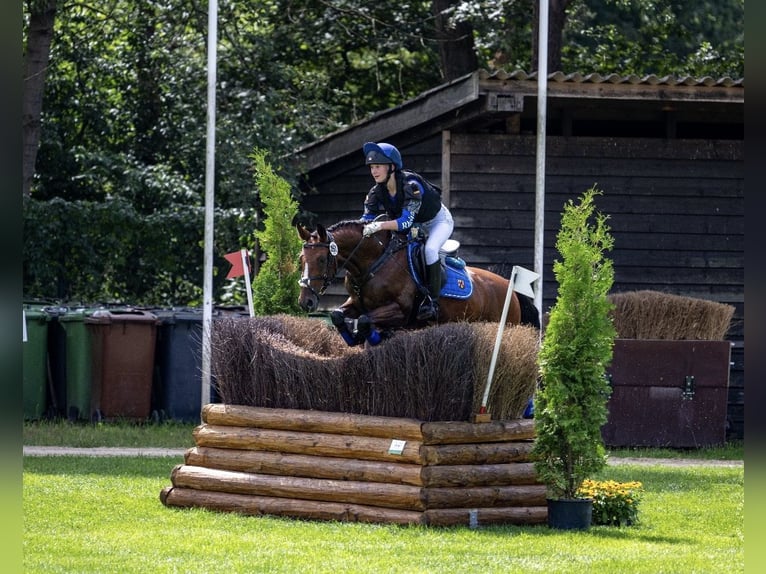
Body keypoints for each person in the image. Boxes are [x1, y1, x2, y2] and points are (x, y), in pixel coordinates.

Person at [359, 141, 454, 321]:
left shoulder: (411, 185)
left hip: (437, 222)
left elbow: (404, 223)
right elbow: (366, 220)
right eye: (372, 167)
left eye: (378, 166)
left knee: (430, 250)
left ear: (392, 167)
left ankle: (432, 303)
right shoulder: (376, 192)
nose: (374, 171)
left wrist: (380, 226)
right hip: (415, 226)